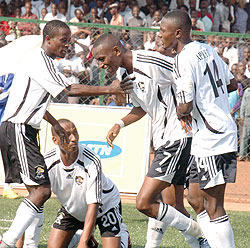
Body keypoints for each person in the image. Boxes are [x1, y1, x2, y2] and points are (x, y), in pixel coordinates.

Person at [0, 20, 132, 248]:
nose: (67, 45)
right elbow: (68, 89)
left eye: (69, 41)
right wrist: (109, 89)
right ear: (48, 39)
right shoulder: (41, 61)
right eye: (63, 40)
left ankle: (27, 244)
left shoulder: (42, 62)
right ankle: (8, 242)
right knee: (41, 190)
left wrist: (54, 123)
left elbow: (35, 102)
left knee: (36, 191)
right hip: (19, 128)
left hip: (24, 128)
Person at [92, 33, 210, 248]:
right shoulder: (122, 72)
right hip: (164, 140)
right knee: (171, 204)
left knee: (145, 201)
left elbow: (187, 74)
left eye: (101, 59)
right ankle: (200, 243)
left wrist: (186, 110)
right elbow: (142, 108)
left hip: (178, 137)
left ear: (116, 51)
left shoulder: (150, 61)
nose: (99, 65)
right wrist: (119, 124)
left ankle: (202, 233)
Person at [158, 10, 238, 247]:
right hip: (211, 134)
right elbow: (232, 83)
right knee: (194, 198)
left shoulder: (182, 59)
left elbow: (185, 104)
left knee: (214, 205)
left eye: (163, 31)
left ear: (178, 33)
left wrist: (180, 112)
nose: (160, 35)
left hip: (213, 137)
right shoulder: (209, 50)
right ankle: (207, 243)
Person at [45, 118, 131, 248]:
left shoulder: (91, 159)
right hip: (73, 210)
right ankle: (79, 233)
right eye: (67, 135)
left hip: (105, 206)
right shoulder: (47, 161)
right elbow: (36, 198)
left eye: (75, 133)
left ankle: (122, 236)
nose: (73, 138)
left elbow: (94, 203)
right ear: (54, 140)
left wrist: (83, 242)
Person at [239, 87, 250, 161]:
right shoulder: (247, 91)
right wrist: (242, 116)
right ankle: (242, 155)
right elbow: (243, 104)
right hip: (248, 116)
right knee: (245, 136)